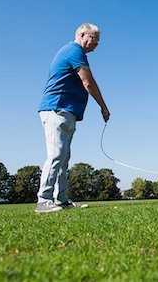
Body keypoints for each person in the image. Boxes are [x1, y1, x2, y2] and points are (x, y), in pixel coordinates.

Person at [36, 23, 110, 212]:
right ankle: (43, 200)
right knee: (56, 154)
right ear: (82, 34)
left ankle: (61, 199)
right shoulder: (74, 51)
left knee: (64, 157)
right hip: (56, 108)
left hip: (67, 111)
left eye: (98, 41)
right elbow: (88, 82)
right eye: (94, 39)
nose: (96, 44)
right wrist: (103, 107)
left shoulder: (75, 52)